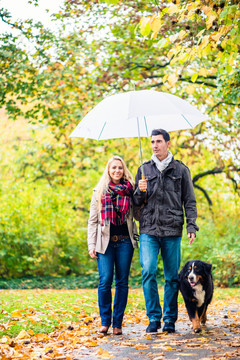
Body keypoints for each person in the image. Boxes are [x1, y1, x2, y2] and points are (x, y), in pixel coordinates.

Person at [133, 129, 199, 334]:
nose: (155, 145)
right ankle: (154, 318)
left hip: (172, 229)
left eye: (159, 141)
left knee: (172, 277)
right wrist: (139, 190)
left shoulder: (181, 170)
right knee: (148, 270)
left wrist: (191, 226)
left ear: (168, 144)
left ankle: (169, 319)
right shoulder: (143, 169)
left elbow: (189, 200)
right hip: (149, 229)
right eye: (152, 142)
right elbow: (135, 203)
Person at [88, 155, 138, 335]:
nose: (117, 170)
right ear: (108, 170)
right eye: (114, 168)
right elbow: (92, 221)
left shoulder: (131, 190)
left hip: (125, 241)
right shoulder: (99, 191)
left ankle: (117, 323)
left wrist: (142, 193)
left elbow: (138, 214)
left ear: (124, 170)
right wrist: (91, 244)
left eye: (120, 168)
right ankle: (105, 321)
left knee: (122, 282)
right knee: (105, 281)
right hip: (104, 243)